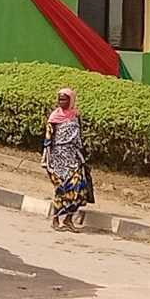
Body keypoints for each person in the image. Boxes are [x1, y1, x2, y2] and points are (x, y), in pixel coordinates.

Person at [42, 87, 95, 232]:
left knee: (78, 190)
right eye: (60, 99)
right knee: (61, 190)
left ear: (71, 100)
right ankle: (55, 220)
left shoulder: (75, 116)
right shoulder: (54, 117)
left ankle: (68, 219)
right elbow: (48, 139)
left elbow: (79, 137)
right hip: (58, 159)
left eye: (64, 100)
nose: (61, 102)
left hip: (74, 159)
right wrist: (47, 160)